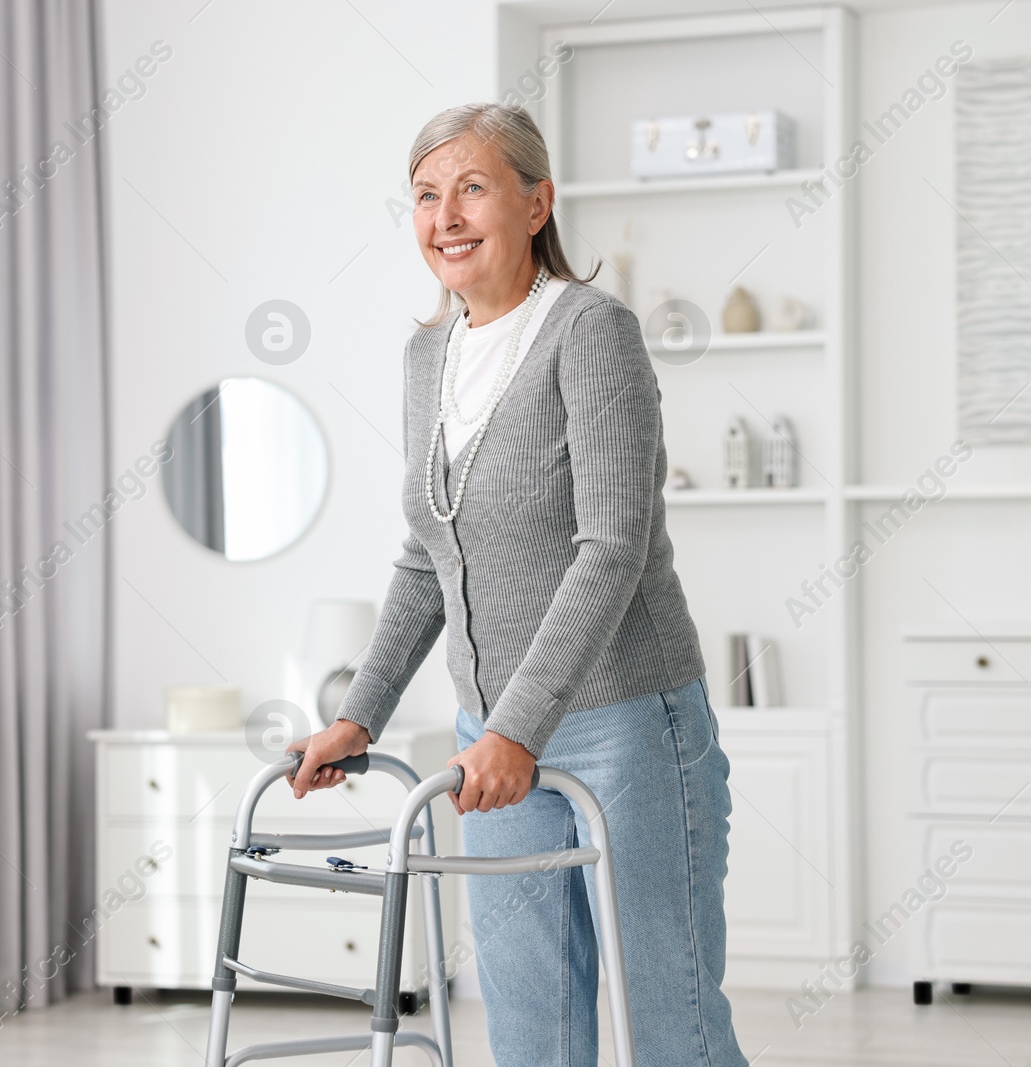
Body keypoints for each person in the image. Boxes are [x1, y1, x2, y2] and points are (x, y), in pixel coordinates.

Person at [289, 102, 749, 1067]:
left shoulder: (592, 331)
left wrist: (517, 729)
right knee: (531, 1017)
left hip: (625, 723)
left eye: (472, 188)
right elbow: (428, 555)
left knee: (669, 1013)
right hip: (488, 738)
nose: (445, 216)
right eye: (425, 195)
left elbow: (611, 549)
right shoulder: (428, 357)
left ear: (536, 203)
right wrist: (360, 716)